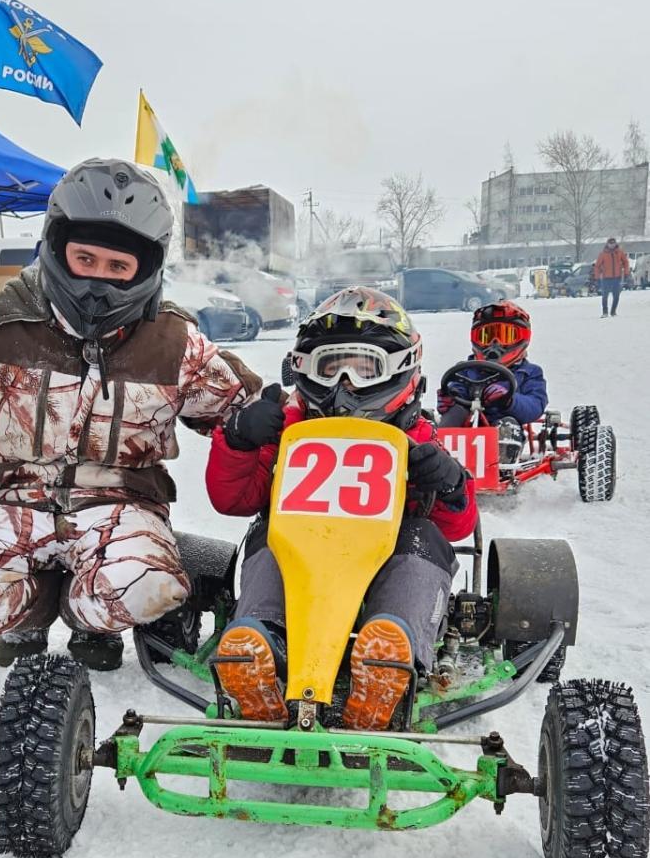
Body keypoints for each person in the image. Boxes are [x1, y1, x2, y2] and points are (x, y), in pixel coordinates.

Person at [0, 158, 261, 671]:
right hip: (8, 501)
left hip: (120, 505)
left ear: (148, 268)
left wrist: (261, 417)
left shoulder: (172, 340)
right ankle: (29, 611)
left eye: (118, 267)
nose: (98, 279)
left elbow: (242, 407)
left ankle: (88, 617)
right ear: (56, 247)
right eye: (85, 258)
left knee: (152, 589)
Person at [204, 288, 477, 728]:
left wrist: (447, 484)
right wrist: (238, 439)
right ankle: (262, 644)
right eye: (331, 369)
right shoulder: (287, 428)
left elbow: (459, 527)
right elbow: (233, 498)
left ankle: (390, 658)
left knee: (424, 538)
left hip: (384, 567)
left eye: (363, 368)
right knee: (269, 530)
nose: (344, 385)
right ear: (305, 370)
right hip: (298, 567)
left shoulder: (420, 438)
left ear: (399, 370)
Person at [437, 301, 548, 465]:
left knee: (507, 425)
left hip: (503, 425)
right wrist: (449, 398)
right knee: (454, 413)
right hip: (466, 427)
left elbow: (535, 406)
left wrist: (510, 400)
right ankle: (437, 460)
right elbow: (455, 389)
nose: (495, 344)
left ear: (522, 339)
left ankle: (500, 466)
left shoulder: (530, 373)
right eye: (486, 336)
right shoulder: (463, 370)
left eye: (506, 336)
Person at [593, 237, 630, 317]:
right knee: (605, 296)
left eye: (613, 243)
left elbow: (625, 262)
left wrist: (626, 273)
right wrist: (597, 277)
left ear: (615, 244)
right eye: (610, 244)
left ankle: (613, 311)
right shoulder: (603, 254)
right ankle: (605, 312)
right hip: (606, 278)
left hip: (617, 278)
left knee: (616, 296)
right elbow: (597, 266)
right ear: (607, 244)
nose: (612, 245)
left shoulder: (619, 252)